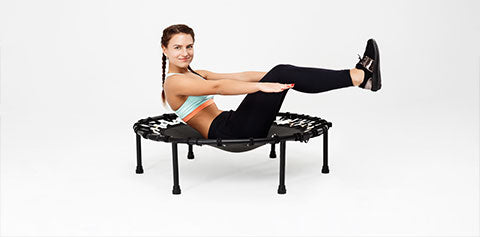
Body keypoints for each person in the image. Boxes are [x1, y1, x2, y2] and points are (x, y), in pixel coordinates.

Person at [160, 24, 381, 140]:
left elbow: (241, 76)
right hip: (229, 132)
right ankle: (360, 77)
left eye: (189, 46)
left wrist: (283, 75)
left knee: (282, 71)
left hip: (233, 122)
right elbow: (217, 88)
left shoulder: (197, 72)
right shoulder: (173, 83)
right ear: (165, 50)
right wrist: (262, 86)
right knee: (281, 72)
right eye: (177, 48)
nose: (185, 53)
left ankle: (360, 78)